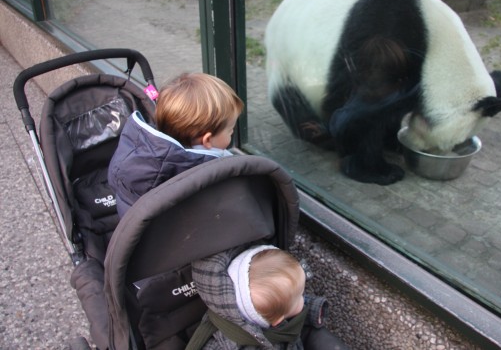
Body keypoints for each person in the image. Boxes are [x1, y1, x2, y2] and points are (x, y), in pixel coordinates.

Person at [108, 72, 244, 217]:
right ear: (207, 140)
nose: (232, 133)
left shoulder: (138, 153)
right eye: (230, 131)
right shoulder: (207, 173)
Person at [191, 245, 341, 350]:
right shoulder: (225, 344)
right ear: (277, 321)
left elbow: (296, 314)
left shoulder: (273, 312)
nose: (304, 297)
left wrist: (314, 310)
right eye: (300, 296)